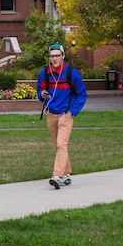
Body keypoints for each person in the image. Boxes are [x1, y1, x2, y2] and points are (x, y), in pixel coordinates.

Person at [37, 43, 86, 189]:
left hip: (66, 114)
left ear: (63, 56)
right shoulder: (45, 72)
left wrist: (71, 112)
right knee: (58, 145)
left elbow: (81, 94)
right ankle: (67, 174)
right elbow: (40, 91)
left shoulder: (71, 72)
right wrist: (42, 94)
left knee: (61, 144)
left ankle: (57, 176)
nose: (54, 59)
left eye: (57, 55)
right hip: (51, 112)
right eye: (52, 56)